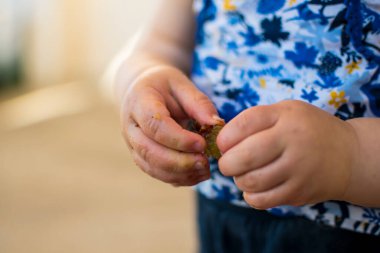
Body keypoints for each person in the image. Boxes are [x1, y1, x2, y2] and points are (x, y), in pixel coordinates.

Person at [115, 0, 380, 252]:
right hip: (223, 212)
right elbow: (161, 44)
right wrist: (141, 78)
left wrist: (350, 154)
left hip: (354, 229)